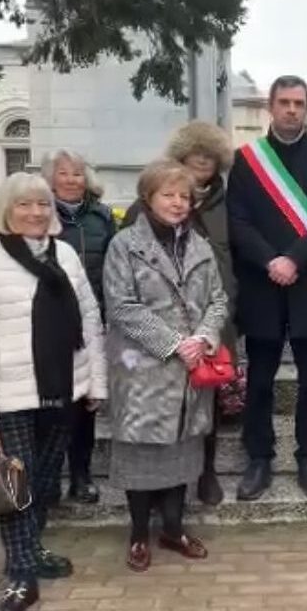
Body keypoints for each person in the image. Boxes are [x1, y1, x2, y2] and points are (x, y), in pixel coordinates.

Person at [0, 173, 107, 611]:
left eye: (42, 204)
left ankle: (32, 550)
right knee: (17, 485)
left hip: (63, 389)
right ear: (5, 208)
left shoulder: (64, 254)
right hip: (9, 395)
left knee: (43, 481)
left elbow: (90, 321)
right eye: (24, 204)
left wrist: (95, 383)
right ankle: (20, 574)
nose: (35, 212)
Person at [103, 159, 229, 572]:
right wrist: (174, 344)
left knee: (182, 452)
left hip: (189, 371)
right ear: (148, 197)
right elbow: (122, 305)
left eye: (184, 196)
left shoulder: (200, 245)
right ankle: (139, 534)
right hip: (142, 372)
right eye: (168, 195)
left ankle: (173, 529)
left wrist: (204, 338)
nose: (178, 203)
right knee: (140, 454)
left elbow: (218, 300)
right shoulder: (125, 244)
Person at [227, 75, 307, 501]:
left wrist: (294, 259)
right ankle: (259, 458)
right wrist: (270, 261)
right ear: (271, 107)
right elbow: (238, 221)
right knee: (260, 378)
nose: (292, 110)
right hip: (262, 284)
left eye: (299, 103)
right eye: (284, 102)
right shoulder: (246, 160)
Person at [121, 121, 237, 505]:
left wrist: (225, 316)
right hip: (160, 327)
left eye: (209, 156)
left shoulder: (229, 204)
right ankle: (160, 481)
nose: (201, 161)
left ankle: (206, 472)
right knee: (162, 402)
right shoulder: (142, 210)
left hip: (212, 320)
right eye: (194, 154)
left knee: (208, 399)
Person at [40, 149, 115, 506]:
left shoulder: (102, 217)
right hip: (50, 324)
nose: (71, 180)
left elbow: (114, 267)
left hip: (92, 318)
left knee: (87, 402)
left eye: (78, 173)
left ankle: (81, 476)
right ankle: (50, 476)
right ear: (50, 178)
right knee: (54, 404)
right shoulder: (39, 213)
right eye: (63, 173)